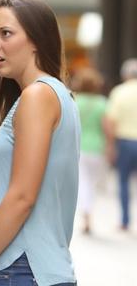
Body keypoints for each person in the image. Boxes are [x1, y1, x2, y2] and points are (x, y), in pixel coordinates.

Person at [0, 0, 80, 286]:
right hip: (30, 270)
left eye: (6, 33)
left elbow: (21, 198)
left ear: (36, 41)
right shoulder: (46, 96)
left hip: (26, 270)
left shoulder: (39, 96)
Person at [70, 67, 109, 234]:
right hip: (97, 148)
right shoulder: (102, 103)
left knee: (83, 182)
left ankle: (86, 215)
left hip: (78, 147)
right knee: (91, 183)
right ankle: (88, 213)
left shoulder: (74, 101)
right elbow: (107, 128)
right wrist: (110, 147)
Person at [105, 58, 137, 232]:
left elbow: (110, 120)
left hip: (124, 141)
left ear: (125, 75)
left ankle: (125, 220)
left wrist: (110, 145)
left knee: (124, 181)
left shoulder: (119, 92)